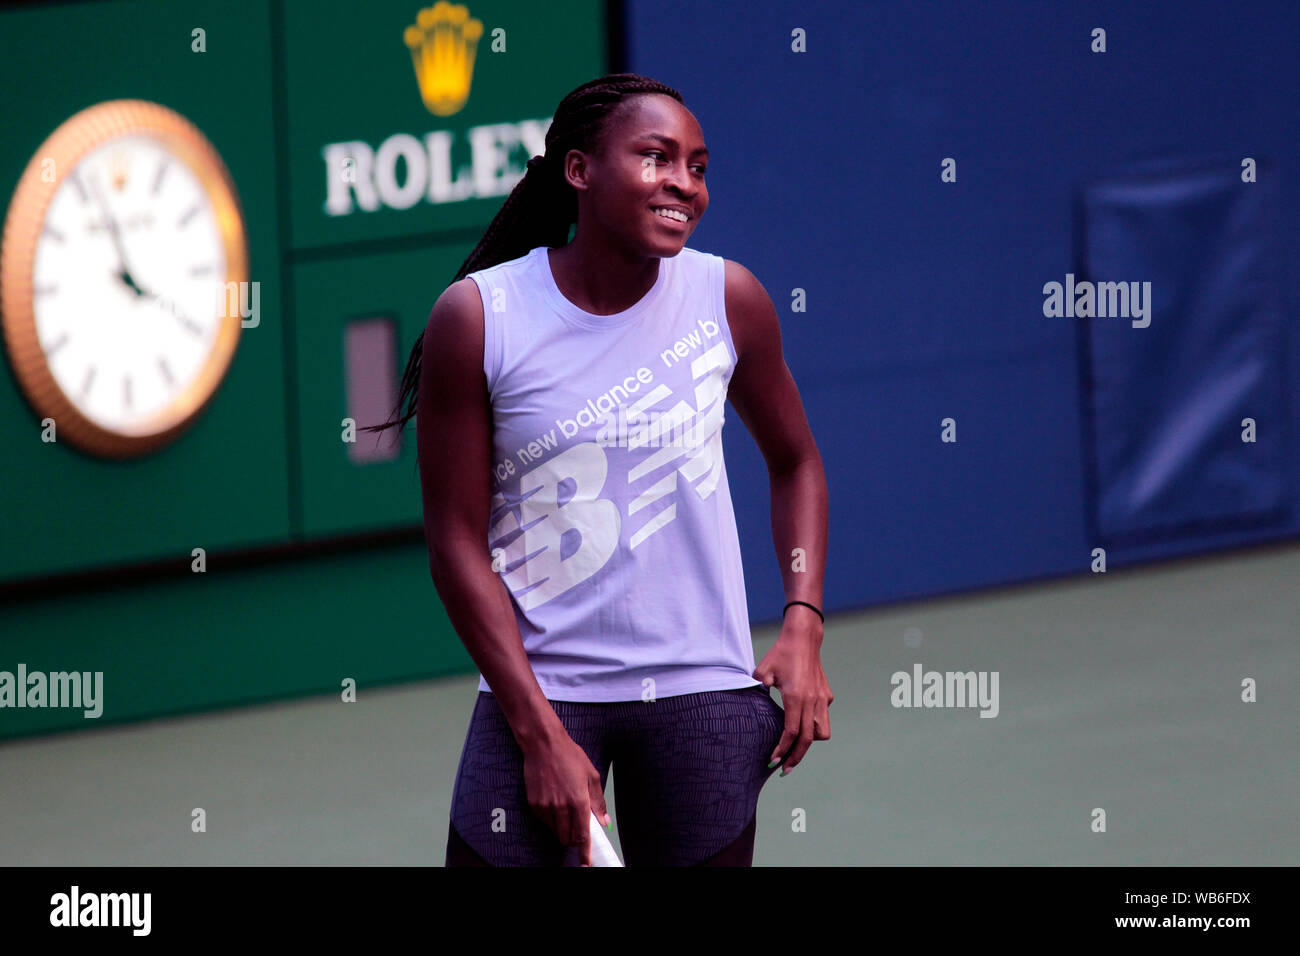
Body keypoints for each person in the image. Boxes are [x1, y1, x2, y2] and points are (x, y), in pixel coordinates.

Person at [365, 72, 831, 866]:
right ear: (579, 171)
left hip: (703, 698)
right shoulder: (479, 318)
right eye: (656, 158)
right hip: (539, 695)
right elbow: (453, 542)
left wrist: (802, 621)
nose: (684, 183)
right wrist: (539, 732)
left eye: (698, 165)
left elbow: (797, 463)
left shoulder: (731, 299)